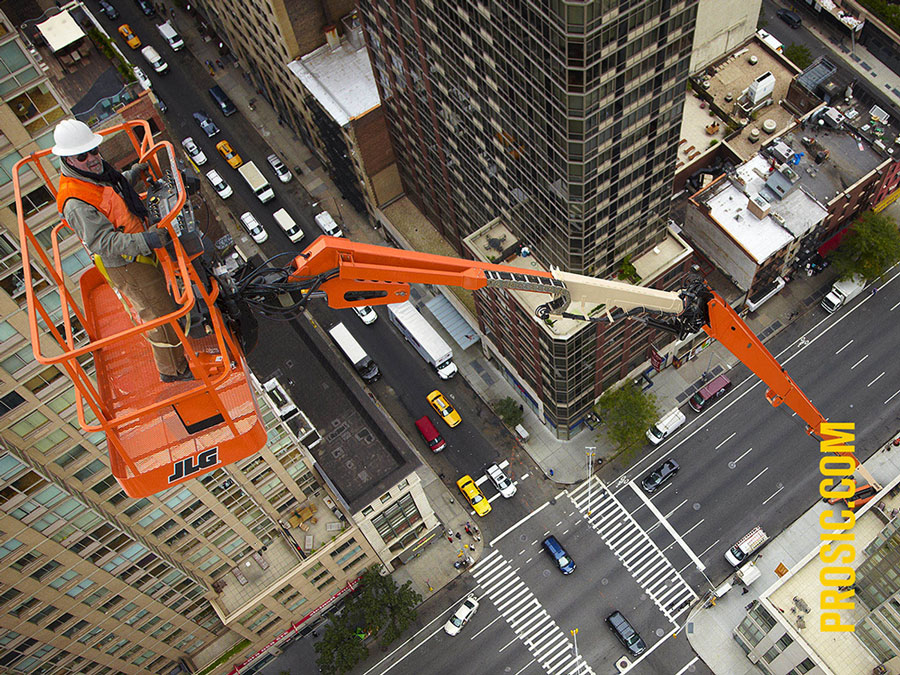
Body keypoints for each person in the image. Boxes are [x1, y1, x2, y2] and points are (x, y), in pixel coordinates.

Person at [51, 119, 191, 382]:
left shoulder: (96, 174)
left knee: (164, 303)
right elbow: (102, 242)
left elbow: (113, 196)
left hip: (136, 248)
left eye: (94, 151)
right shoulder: (75, 202)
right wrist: (147, 241)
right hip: (127, 263)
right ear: (68, 160)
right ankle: (173, 371)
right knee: (160, 315)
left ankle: (177, 357)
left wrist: (132, 176)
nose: (92, 158)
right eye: (83, 155)